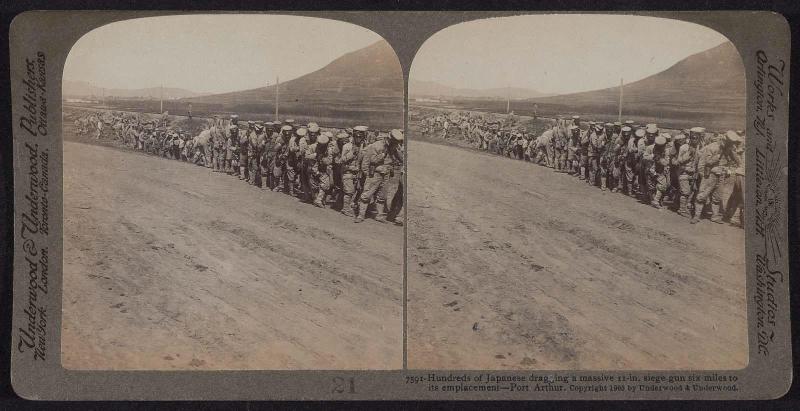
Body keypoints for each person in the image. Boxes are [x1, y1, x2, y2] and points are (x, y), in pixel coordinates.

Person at [691, 130, 742, 224]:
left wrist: (728, 166)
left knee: (717, 197)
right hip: (710, 174)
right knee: (702, 195)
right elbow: (705, 162)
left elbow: (735, 161)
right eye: (729, 143)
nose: (730, 145)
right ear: (724, 140)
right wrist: (703, 175)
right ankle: (696, 215)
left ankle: (714, 216)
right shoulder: (712, 147)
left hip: (721, 175)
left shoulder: (728, 148)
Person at [355, 129, 403, 223]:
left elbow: (400, 158)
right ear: (389, 138)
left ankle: (379, 215)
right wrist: (367, 174)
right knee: (367, 194)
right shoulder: (376, 145)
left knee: (382, 196)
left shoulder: (393, 147)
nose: (395, 144)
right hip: (375, 174)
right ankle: (361, 215)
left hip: (386, 174)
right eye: (394, 142)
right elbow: (368, 161)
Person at [339, 127, 366, 217]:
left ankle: (347, 205)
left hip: (356, 173)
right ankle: (345, 209)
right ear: (354, 136)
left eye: (360, 137)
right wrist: (352, 153)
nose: (358, 138)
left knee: (353, 190)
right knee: (349, 191)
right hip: (347, 171)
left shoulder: (363, 146)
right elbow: (342, 160)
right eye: (357, 136)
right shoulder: (347, 146)